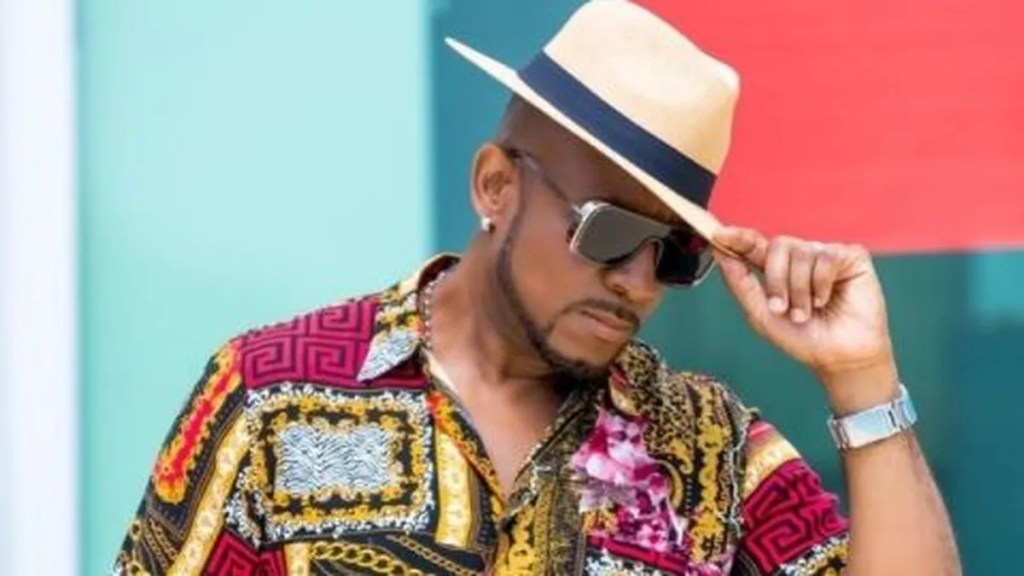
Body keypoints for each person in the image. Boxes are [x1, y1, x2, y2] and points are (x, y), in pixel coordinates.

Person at [112, 1, 960, 574]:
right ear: (495, 186)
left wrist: (862, 379)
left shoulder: (705, 450)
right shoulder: (275, 400)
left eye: (671, 254)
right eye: (609, 230)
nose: (636, 281)